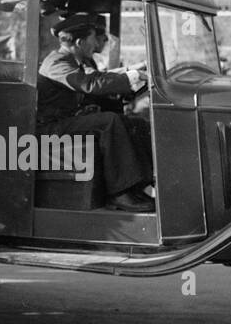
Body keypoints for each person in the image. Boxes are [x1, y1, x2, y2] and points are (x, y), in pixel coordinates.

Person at [38, 13, 154, 212]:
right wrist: (133, 76)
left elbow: (98, 76)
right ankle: (120, 193)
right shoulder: (57, 63)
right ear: (80, 42)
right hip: (49, 128)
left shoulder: (73, 61)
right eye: (93, 39)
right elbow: (90, 84)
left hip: (65, 122)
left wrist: (134, 74)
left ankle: (138, 186)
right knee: (109, 122)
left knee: (134, 123)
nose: (97, 44)